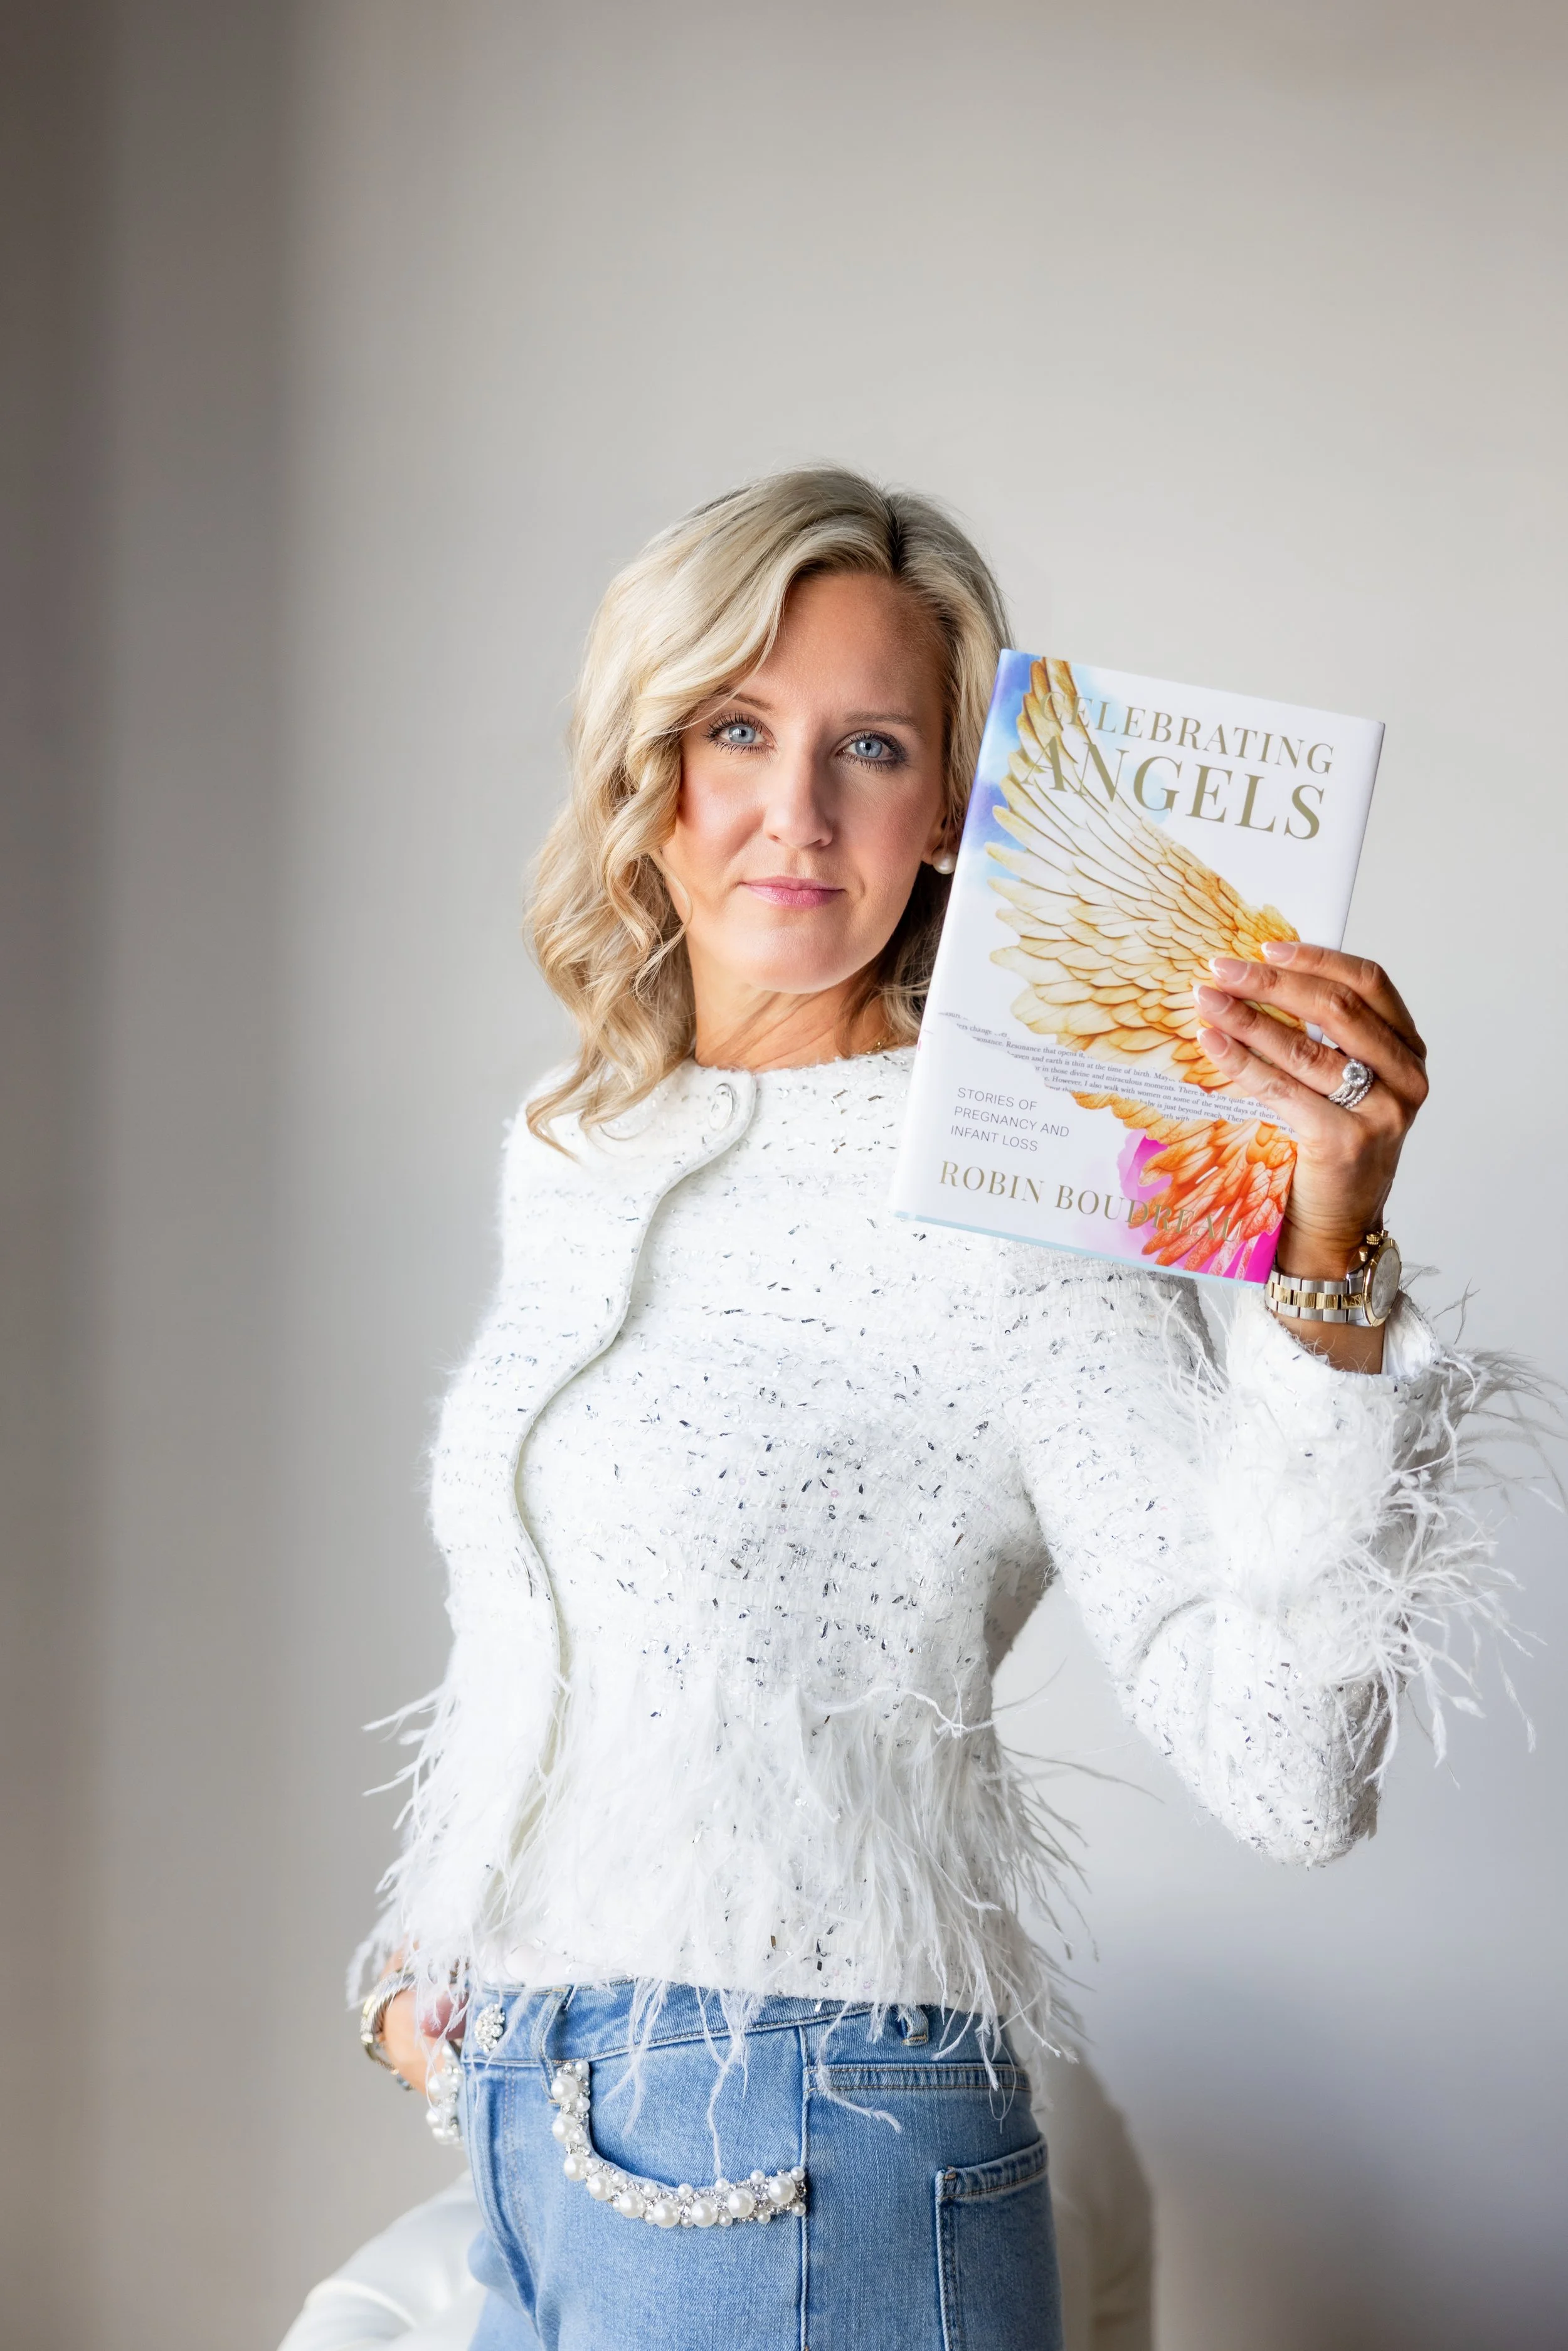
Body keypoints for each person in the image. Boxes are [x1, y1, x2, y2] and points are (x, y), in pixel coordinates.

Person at [352, 468, 1503, 2351]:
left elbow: (1287, 1772)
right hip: (531, 2158)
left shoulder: (1018, 1187)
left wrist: (1327, 1259)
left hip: (817, 2165)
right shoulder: (578, 1147)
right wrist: (435, 1964)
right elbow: (568, 1640)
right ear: (647, 764)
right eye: (737, 728)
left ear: (954, 810)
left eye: (870, 748)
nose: (795, 812)